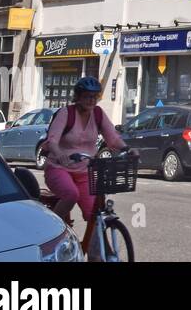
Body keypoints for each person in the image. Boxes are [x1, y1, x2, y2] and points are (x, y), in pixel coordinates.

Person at [41, 76, 128, 226]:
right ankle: (52, 229)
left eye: (95, 97)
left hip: (84, 172)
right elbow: (52, 140)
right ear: (78, 97)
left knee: (93, 213)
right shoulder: (66, 113)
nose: (91, 100)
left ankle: (99, 249)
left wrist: (127, 149)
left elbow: (112, 138)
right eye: (87, 96)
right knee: (71, 194)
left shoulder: (98, 114)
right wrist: (60, 154)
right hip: (59, 168)